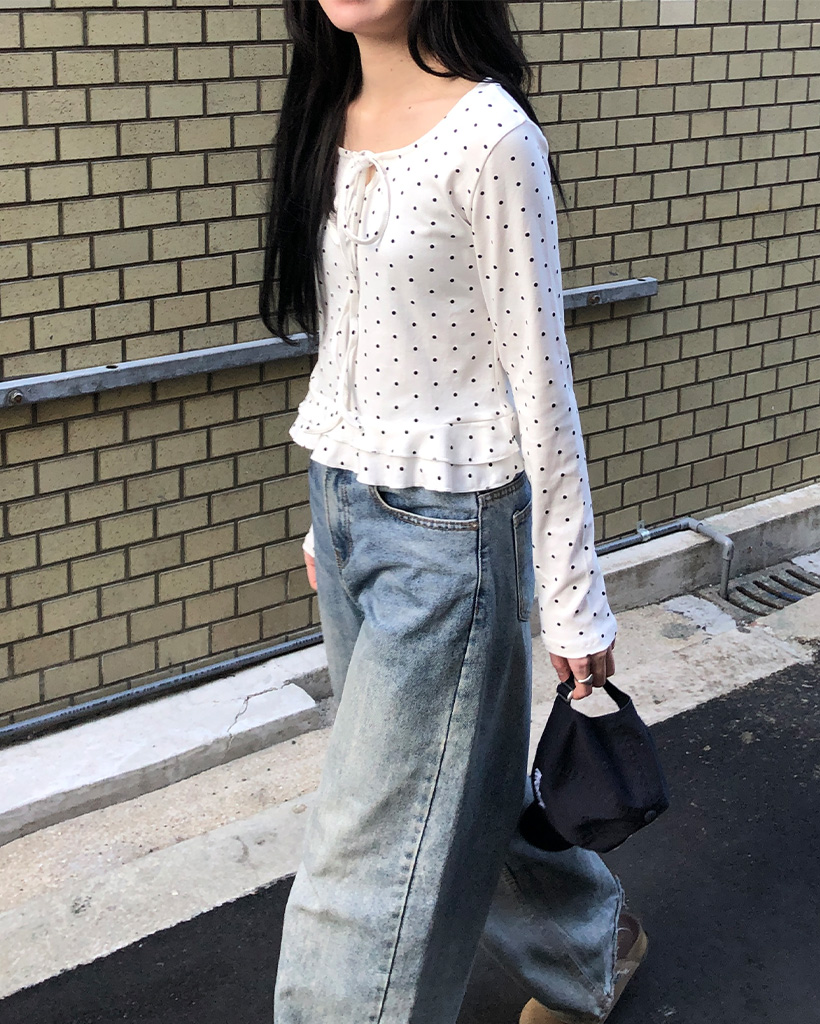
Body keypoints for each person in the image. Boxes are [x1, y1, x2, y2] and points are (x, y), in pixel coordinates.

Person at [260, 2, 646, 1022]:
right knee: (451, 787)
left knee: (364, 861)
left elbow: (540, 376)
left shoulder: (491, 135)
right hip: (349, 504)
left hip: (450, 535)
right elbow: (351, 337)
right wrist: (325, 519)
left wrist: (572, 596)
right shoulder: (329, 113)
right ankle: (593, 947)